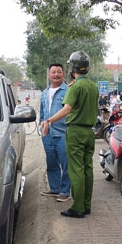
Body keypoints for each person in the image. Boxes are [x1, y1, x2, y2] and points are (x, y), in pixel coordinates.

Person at [40, 51, 99, 218]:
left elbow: (67, 109)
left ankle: (78, 207)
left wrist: (49, 120)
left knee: (75, 170)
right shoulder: (93, 86)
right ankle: (86, 205)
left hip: (75, 131)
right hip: (89, 132)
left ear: (72, 68)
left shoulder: (75, 86)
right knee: (88, 168)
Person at [39, 63, 71, 202]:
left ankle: (65, 191)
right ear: (49, 75)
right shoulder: (44, 92)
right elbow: (42, 112)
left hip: (63, 133)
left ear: (63, 74)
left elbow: (70, 111)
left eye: (59, 72)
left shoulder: (68, 91)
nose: (56, 74)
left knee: (66, 164)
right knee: (51, 162)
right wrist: (42, 127)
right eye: (53, 72)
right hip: (47, 134)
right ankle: (55, 188)